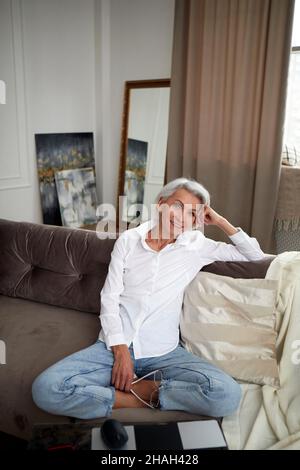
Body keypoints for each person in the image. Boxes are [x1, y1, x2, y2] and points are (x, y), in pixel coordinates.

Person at [32, 177, 266, 419]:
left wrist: (219, 221)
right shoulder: (129, 241)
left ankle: (141, 393)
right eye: (177, 205)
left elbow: (255, 255)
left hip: (164, 352)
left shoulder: (197, 246)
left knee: (227, 395)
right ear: (161, 203)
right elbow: (109, 298)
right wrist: (121, 353)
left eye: (191, 213)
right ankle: (141, 396)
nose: (180, 216)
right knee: (46, 389)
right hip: (114, 347)